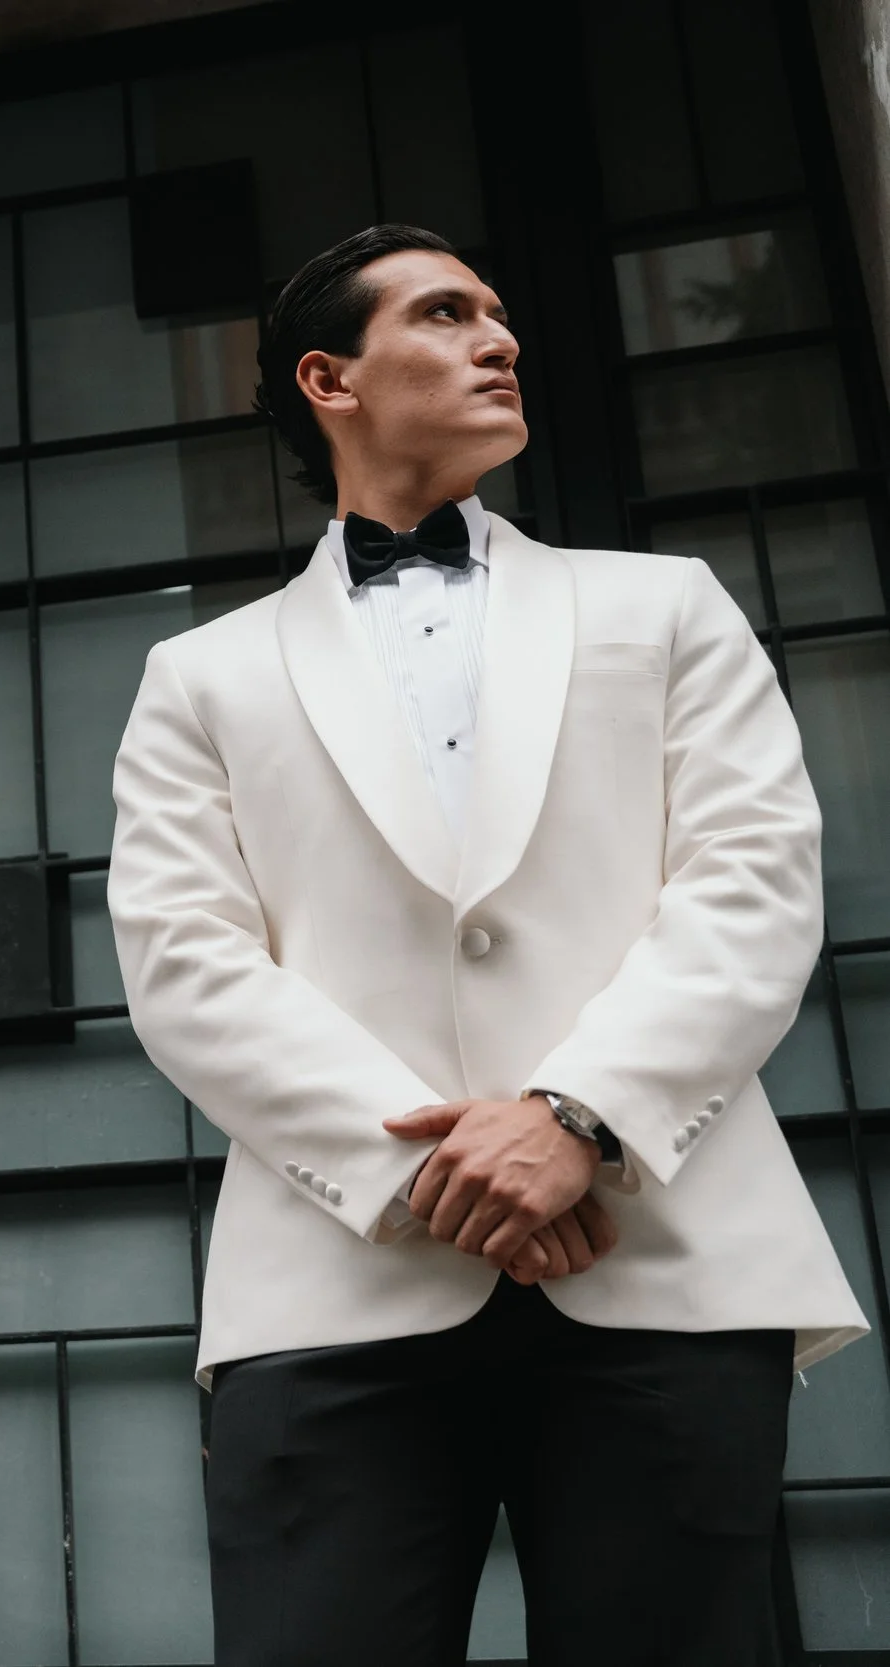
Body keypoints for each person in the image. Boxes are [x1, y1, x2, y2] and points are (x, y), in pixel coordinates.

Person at [108, 225, 867, 1666]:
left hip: (662, 1251)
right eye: (448, 312)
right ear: (328, 377)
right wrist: (430, 1167)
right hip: (337, 1277)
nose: (500, 338)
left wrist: (580, 1114)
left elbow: (755, 880)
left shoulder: (666, 605)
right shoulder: (197, 677)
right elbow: (187, 964)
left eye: (502, 315)